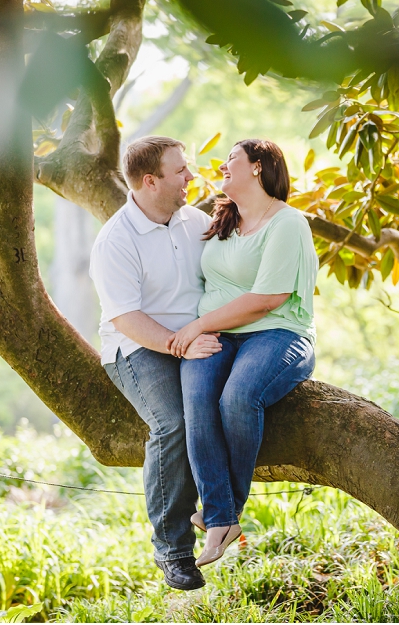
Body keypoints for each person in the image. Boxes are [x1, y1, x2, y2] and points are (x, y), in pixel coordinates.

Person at [167, 139, 317, 567]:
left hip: (277, 333)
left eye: (231, 159)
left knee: (237, 397)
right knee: (196, 402)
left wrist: (196, 325)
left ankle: (219, 515)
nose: (221, 166)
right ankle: (223, 519)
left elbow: (268, 298)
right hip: (219, 334)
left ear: (257, 167)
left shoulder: (287, 223)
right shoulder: (223, 220)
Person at [89, 136, 221, 591]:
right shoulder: (115, 241)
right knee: (173, 424)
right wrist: (180, 344)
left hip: (198, 339)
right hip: (139, 346)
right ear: (151, 181)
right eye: (181, 170)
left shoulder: (197, 221)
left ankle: (221, 512)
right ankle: (173, 549)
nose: (190, 177)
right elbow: (126, 318)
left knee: (236, 401)